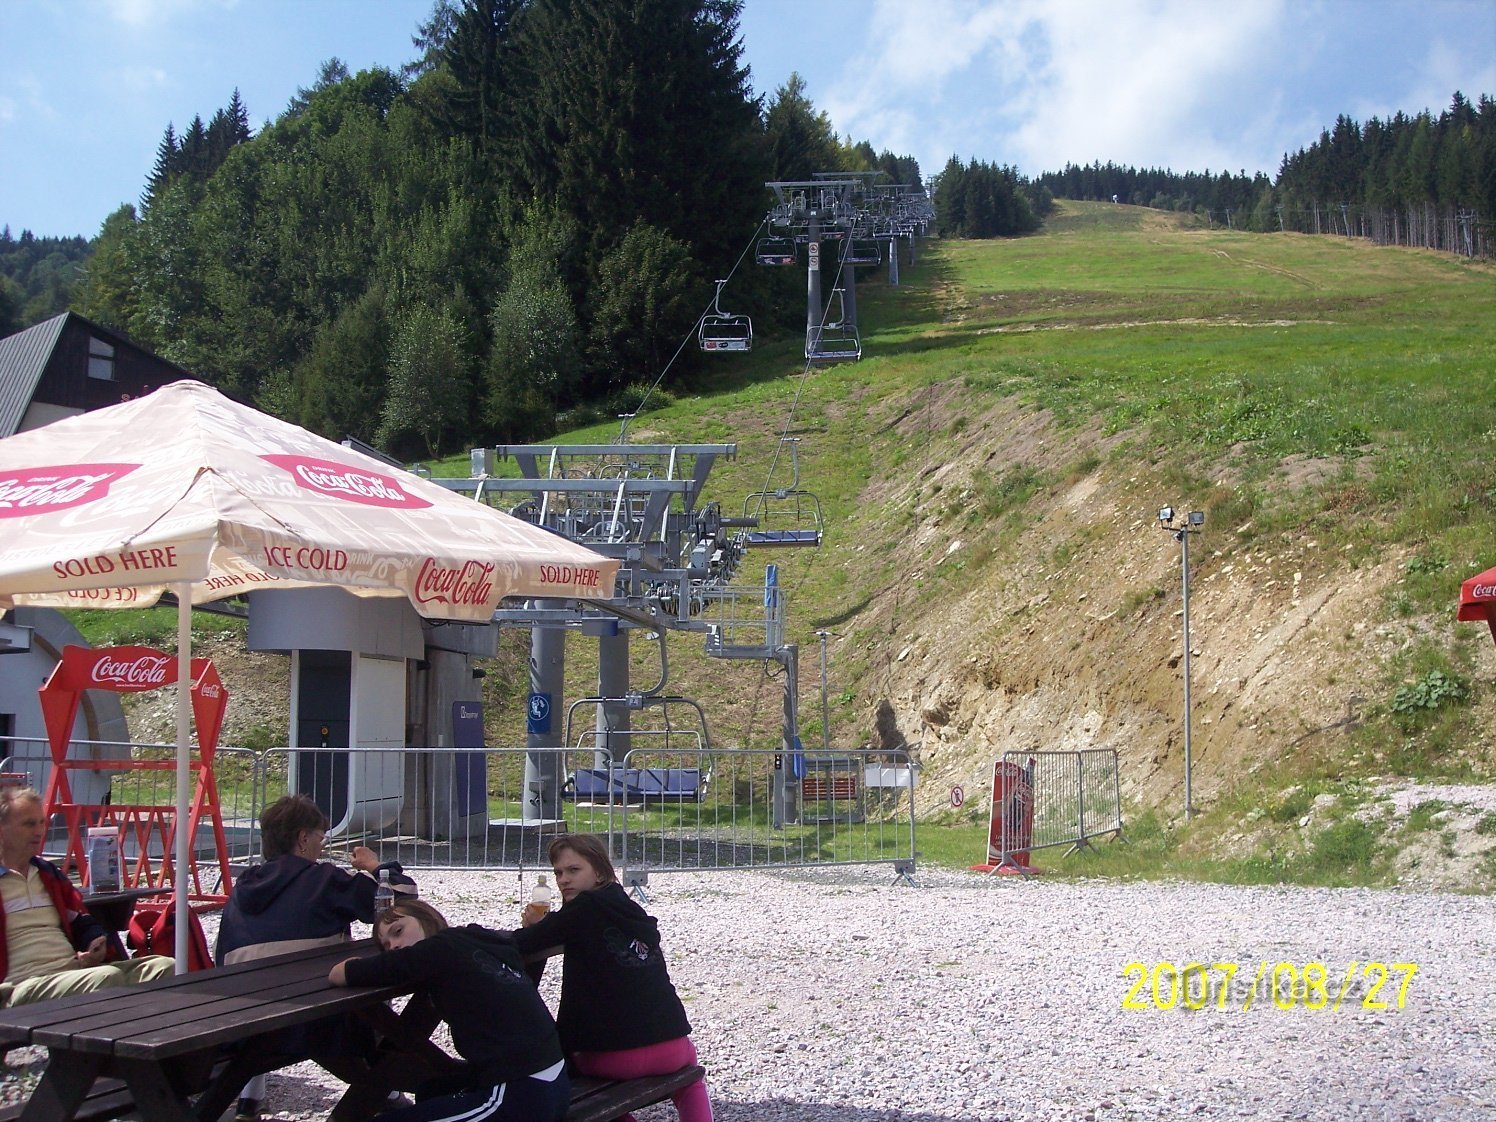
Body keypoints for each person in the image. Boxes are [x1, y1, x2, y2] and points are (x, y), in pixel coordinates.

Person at [216, 794, 415, 1122]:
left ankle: (250, 1097)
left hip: (247, 1021)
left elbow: (221, 954)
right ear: (303, 838)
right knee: (370, 989)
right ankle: (387, 1090)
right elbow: (403, 900)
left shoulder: (243, 887)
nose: (323, 846)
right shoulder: (324, 879)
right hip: (316, 1022)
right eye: (321, 837)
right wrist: (376, 866)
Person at [511, 833, 711, 1122]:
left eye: (574, 870)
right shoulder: (630, 909)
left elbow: (525, 943)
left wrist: (533, 926)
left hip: (608, 1057)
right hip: (673, 1046)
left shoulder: (583, 907)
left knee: (581, 1090)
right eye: (558, 872)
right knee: (691, 1079)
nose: (564, 879)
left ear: (600, 871)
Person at [330, 899, 569, 1122]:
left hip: (521, 1090)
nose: (394, 946)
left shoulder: (434, 950)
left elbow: (341, 973)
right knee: (432, 1090)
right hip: (552, 1079)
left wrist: (351, 964)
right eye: (386, 945)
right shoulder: (472, 939)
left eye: (398, 931)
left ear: (427, 919)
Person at [0, 786, 174, 1007]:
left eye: (42, 822)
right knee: (106, 979)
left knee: (165, 968)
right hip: (22, 984)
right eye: (28, 824)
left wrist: (94, 942)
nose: (38, 831)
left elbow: (80, 920)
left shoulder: (47, 875)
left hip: (72, 973)